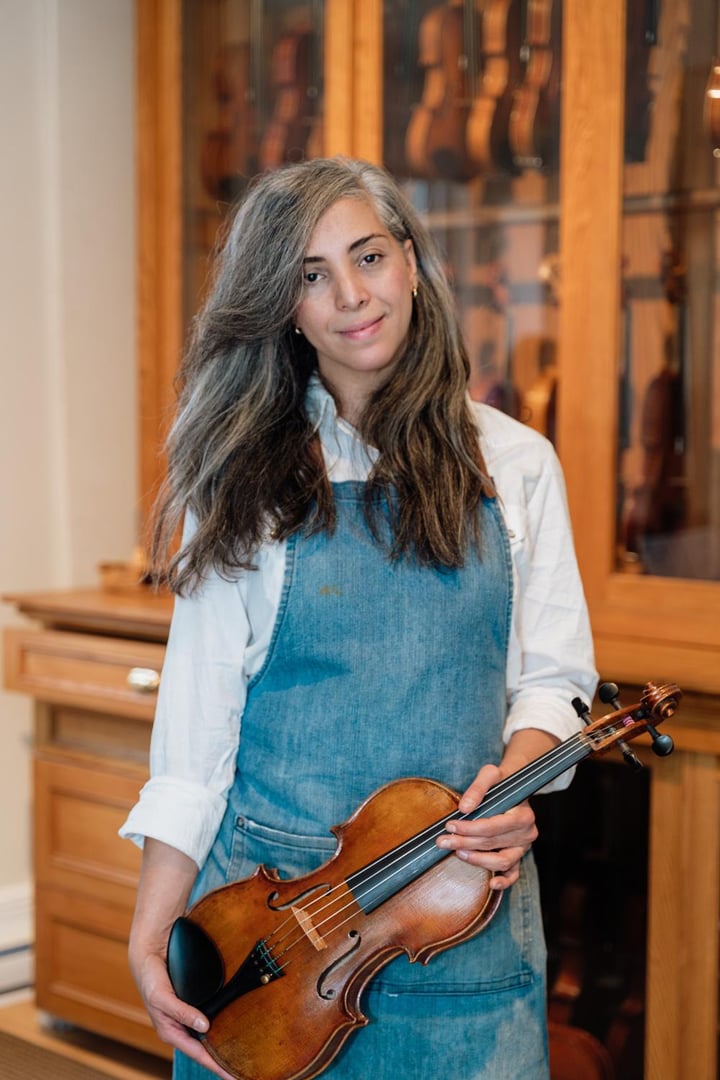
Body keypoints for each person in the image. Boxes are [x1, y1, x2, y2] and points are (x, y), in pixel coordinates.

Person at [120, 156, 597, 1080]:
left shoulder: (517, 464)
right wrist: (150, 932)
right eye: (310, 275)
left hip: (463, 924)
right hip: (267, 948)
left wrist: (518, 788)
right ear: (285, 309)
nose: (350, 294)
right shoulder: (245, 479)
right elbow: (195, 739)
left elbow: (553, 683)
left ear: (412, 263)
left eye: (369, 257)